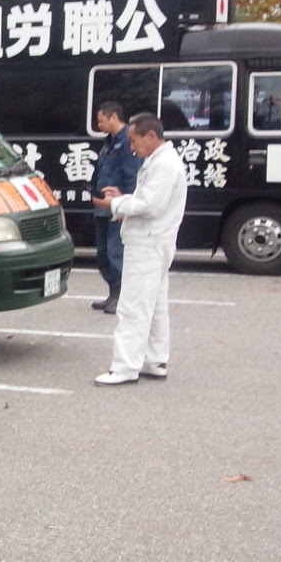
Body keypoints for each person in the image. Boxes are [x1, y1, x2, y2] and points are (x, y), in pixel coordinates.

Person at [92, 112, 186, 386]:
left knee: (133, 307)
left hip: (148, 242)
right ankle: (154, 360)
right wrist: (123, 199)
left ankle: (124, 367)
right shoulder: (159, 161)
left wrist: (114, 205)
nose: (131, 147)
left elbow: (150, 205)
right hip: (155, 240)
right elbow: (148, 200)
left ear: (151, 136)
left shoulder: (164, 164)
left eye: (134, 140)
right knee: (154, 306)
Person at [87, 102, 141, 314]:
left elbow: (132, 176)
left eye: (101, 120)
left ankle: (122, 297)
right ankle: (113, 292)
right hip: (103, 206)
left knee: (115, 252)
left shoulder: (128, 141)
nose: (99, 124)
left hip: (118, 208)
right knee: (102, 254)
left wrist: (126, 206)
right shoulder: (108, 143)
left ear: (113, 117)